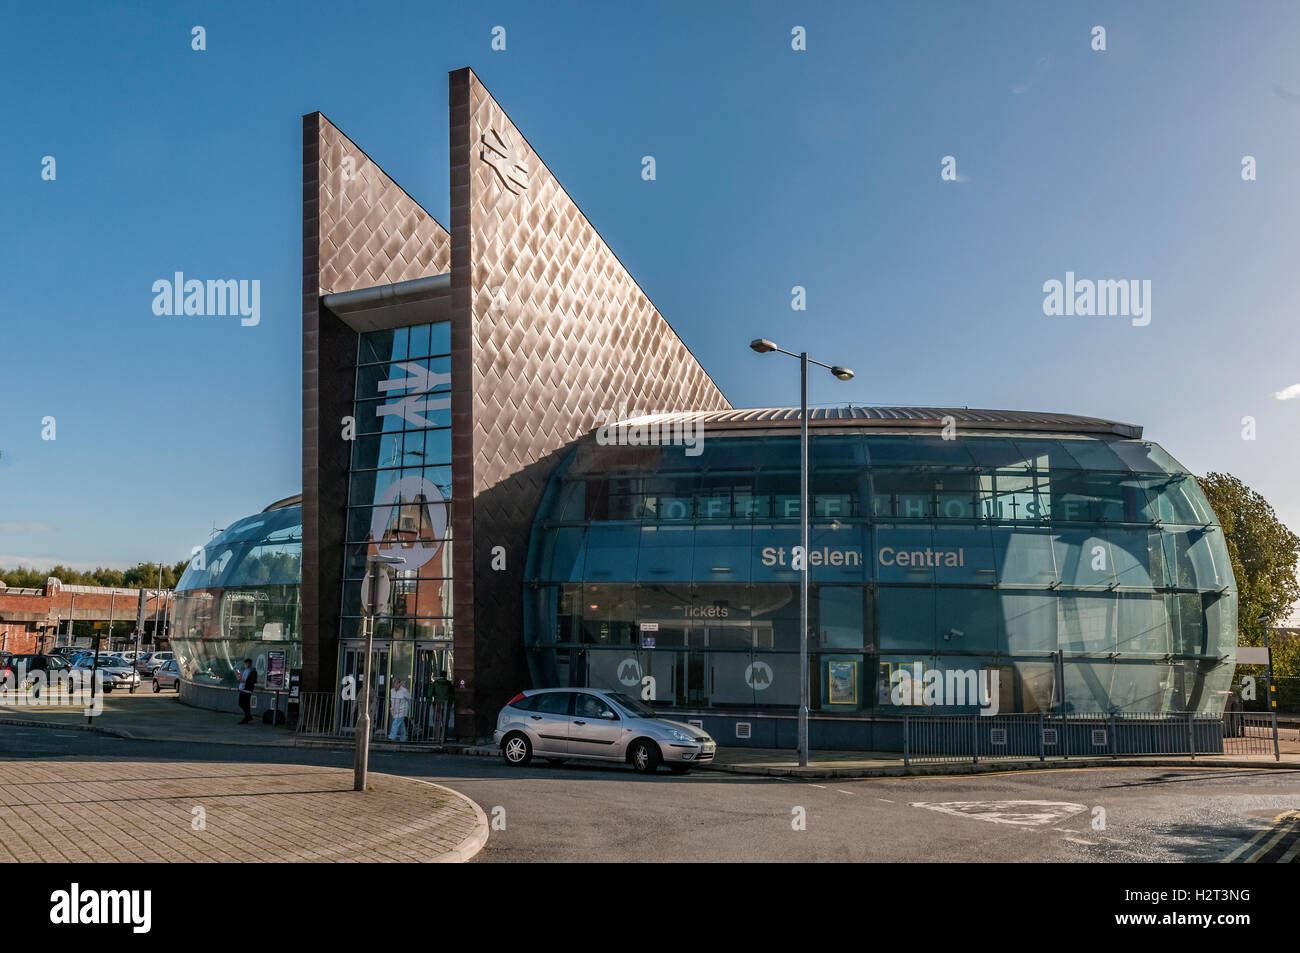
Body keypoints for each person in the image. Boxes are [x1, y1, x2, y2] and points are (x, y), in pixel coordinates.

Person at [236, 658, 257, 724]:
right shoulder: (246, 670)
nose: (245, 665)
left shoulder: (253, 671)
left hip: (247, 689)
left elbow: (252, 681)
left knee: (243, 703)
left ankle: (247, 716)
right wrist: (240, 678)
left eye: (246, 664)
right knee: (243, 704)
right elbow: (244, 678)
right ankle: (248, 716)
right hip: (243, 688)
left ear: (249, 664)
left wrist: (243, 681)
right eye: (245, 664)